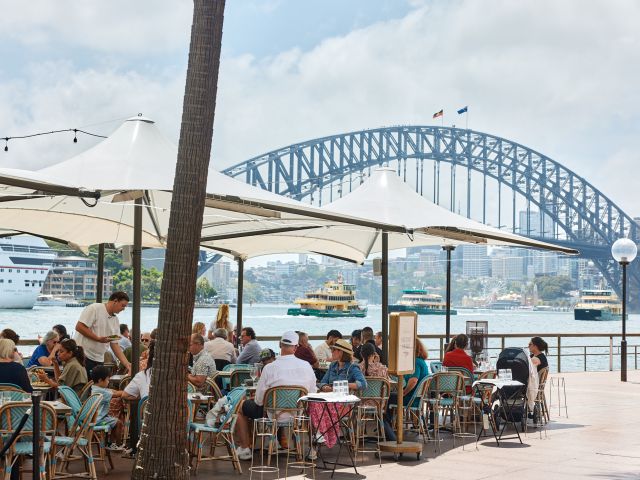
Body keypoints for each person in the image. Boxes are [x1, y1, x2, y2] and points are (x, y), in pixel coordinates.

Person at [234, 331, 317, 460]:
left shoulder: (269, 368)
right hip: (297, 415)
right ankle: (300, 446)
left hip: (272, 415)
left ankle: (245, 449)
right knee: (277, 406)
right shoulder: (306, 366)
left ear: (280, 344)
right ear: (296, 347)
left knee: (240, 408)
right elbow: (312, 394)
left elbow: (259, 401)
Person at [73, 291, 131, 376]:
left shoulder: (115, 320)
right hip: (83, 356)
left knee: (97, 387)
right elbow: (79, 327)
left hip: (99, 359)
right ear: (115, 301)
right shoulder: (94, 308)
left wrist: (127, 364)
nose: (123, 309)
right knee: (85, 386)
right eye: (122, 305)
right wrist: (98, 339)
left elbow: (114, 344)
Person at [383, 337, 429, 441]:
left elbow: (413, 381)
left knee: (386, 400)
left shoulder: (416, 362)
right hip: (417, 398)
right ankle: (388, 429)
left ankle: (388, 432)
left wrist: (404, 392)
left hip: (411, 399)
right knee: (390, 398)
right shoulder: (421, 361)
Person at [90, 366, 124, 449]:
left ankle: (111, 443)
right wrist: (126, 392)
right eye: (107, 380)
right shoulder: (100, 391)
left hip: (98, 418)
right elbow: (115, 394)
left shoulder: (96, 388)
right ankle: (118, 445)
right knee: (118, 423)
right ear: (100, 380)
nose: (108, 382)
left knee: (115, 422)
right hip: (98, 420)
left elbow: (112, 391)